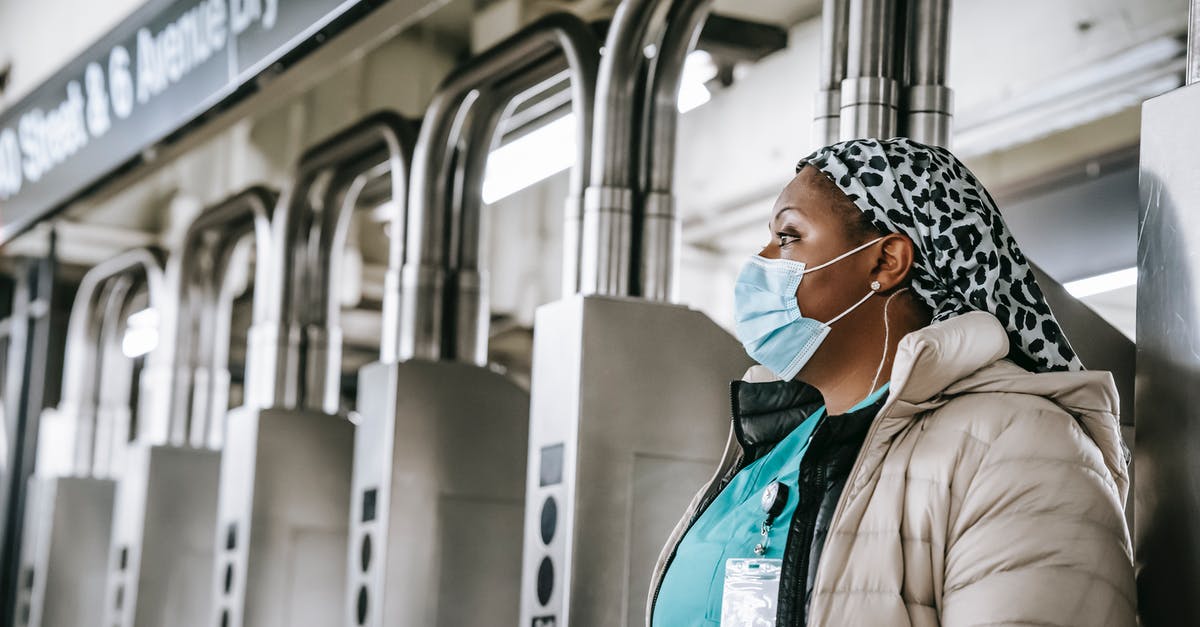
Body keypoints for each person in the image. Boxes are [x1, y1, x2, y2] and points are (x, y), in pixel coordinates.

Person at [646, 137, 1135, 626]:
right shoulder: (775, 446)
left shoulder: (1020, 446)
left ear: (886, 262)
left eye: (789, 236)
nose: (762, 259)